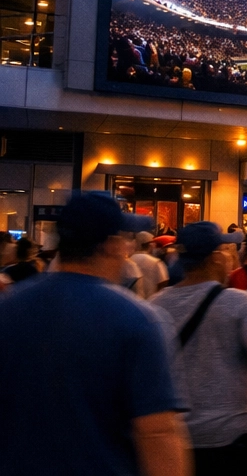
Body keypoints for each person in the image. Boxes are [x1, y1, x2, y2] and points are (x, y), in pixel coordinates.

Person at [0, 191, 189, 476]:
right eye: (124, 240)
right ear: (111, 246)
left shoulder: (9, 306)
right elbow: (157, 433)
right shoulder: (137, 319)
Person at [154, 222, 247, 475]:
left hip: (178, 438)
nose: (230, 257)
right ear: (215, 258)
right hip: (232, 436)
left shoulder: (155, 305)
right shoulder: (238, 301)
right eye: (226, 250)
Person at [131, 230, 172, 298]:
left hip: (133, 302)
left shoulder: (129, 260)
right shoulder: (155, 262)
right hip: (151, 302)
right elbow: (163, 283)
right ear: (150, 245)